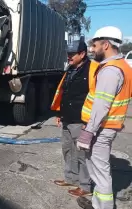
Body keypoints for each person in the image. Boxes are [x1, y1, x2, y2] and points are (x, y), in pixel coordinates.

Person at [76, 26, 132, 209]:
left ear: (106, 45)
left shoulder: (111, 71)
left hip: (101, 128)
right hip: (107, 126)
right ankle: (97, 202)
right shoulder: (123, 66)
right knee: (98, 169)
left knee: (100, 171)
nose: (91, 49)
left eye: (95, 45)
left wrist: (88, 132)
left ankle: (103, 206)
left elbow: (102, 105)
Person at [51, 38, 99, 197]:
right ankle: (71, 178)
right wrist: (59, 113)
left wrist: (90, 122)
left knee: (82, 154)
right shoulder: (70, 69)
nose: (69, 57)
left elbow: (98, 97)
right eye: (67, 54)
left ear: (83, 53)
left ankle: (85, 186)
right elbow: (63, 92)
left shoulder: (93, 70)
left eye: (72, 54)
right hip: (67, 117)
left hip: (82, 120)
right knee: (68, 149)